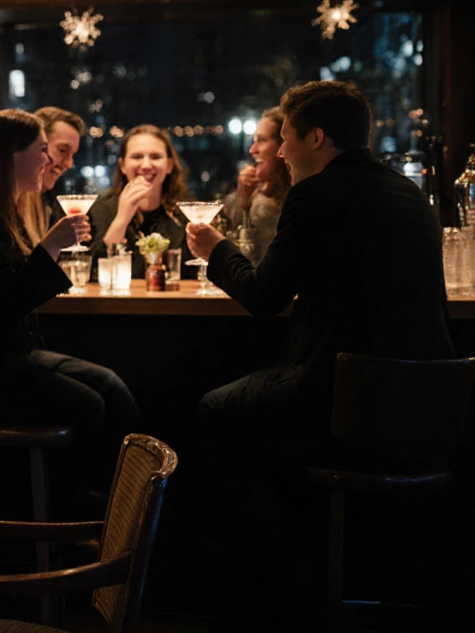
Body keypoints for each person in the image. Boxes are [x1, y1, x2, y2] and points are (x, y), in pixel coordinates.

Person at [186, 81, 454, 623]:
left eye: (286, 137)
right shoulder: (408, 192)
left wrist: (217, 250)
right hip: (431, 404)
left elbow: (264, 296)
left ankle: (282, 582)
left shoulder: (317, 194)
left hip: (344, 400)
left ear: (317, 137)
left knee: (212, 412)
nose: (281, 151)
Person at [0, 109, 138, 490]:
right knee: (92, 405)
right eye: (42, 150)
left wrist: (50, 249)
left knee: (110, 385)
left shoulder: (0, 207)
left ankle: (119, 501)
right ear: (12, 154)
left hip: (10, 355)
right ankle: (74, 504)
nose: (48, 161)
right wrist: (51, 246)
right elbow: (3, 302)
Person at [88, 124, 193, 279]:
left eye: (155, 157)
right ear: (122, 166)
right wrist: (122, 219)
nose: (146, 165)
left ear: (169, 165)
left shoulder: (185, 215)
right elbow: (93, 273)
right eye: (137, 157)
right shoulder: (99, 212)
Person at [224, 107, 292, 264]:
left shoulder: (302, 193)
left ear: (283, 146)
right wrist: (243, 201)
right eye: (254, 141)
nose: (252, 150)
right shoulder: (255, 190)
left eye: (261, 140)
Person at [19, 106, 84, 247]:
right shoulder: (6, 206)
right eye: (62, 151)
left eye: (72, 155)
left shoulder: (49, 202)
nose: (69, 164)